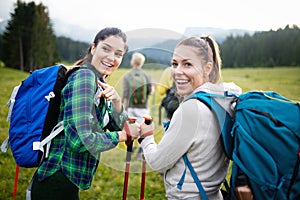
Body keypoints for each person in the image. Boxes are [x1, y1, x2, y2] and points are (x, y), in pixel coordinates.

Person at [30, 27, 140, 200]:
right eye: (106, 49)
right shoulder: (84, 79)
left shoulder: (99, 83)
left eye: (118, 54)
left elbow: (122, 124)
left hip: (66, 180)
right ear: (93, 48)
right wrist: (122, 135)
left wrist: (117, 102)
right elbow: (80, 141)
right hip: (57, 181)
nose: (111, 58)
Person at [139, 36, 242, 199]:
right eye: (174, 64)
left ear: (207, 68)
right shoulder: (224, 100)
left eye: (187, 64)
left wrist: (146, 137)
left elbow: (158, 162)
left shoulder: (191, 110)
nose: (177, 71)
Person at [122, 52, 152, 159]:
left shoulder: (127, 75)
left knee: (131, 128)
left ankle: (130, 149)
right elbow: (149, 92)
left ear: (133, 62)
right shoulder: (146, 75)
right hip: (143, 106)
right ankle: (140, 151)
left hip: (130, 106)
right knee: (142, 128)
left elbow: (125, 93)